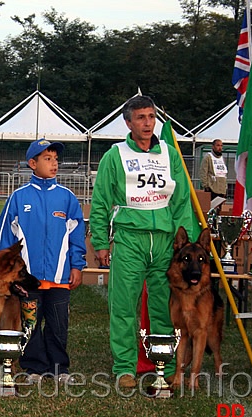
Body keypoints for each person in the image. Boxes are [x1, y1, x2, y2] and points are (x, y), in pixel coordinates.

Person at [89, 95, 195, 388]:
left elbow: (182, 200)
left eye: (151, 117)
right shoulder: (115, 155)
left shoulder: (170, 155)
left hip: (164, 242)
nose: (147, 123)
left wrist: (188, 244)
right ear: (128, 122)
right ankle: (124, 367)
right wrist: (100, 241)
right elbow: (100, 202)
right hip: (129, 239)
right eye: (140, 117)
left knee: (164, 307)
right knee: (124, 306)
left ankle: (167, 364)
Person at [0, 139, 86, 384]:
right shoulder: (18, 197)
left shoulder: (67, 198)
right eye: (47, 159)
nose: (54, 163)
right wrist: (7, 273)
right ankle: (33, 368)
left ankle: (59, 369)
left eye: (56, 159)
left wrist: (77, 265)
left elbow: (76, 235)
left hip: (59, 279)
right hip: (29, 281)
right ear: (32, 163)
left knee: (58, 326)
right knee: (30, 326)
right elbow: (5, 237)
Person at [200, 138, 227, 203]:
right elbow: (203, 172)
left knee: (219, 208)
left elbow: (224, 173)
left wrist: (225, 187)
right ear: (213, 146)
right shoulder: (208, 157)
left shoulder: (222, 158)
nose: (220, 148)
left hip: (221, 189)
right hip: (211, 188)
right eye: (218, 145)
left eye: (221, 145)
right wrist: (206, 186)